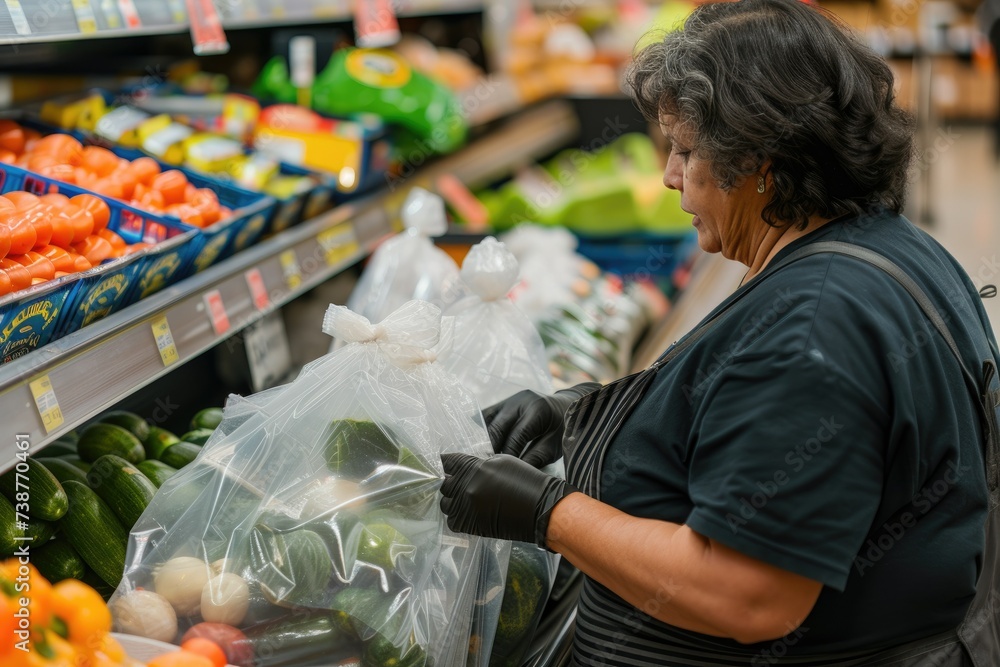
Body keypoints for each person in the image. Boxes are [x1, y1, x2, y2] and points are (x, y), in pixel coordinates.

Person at [438, 0, 1000, 664]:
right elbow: (745, 416)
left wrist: (546, 512)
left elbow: (747, 595)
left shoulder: (810, 327)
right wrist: (579, 414)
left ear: (758, 160)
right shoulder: (888, 245)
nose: (669, 175)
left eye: (684, 149)